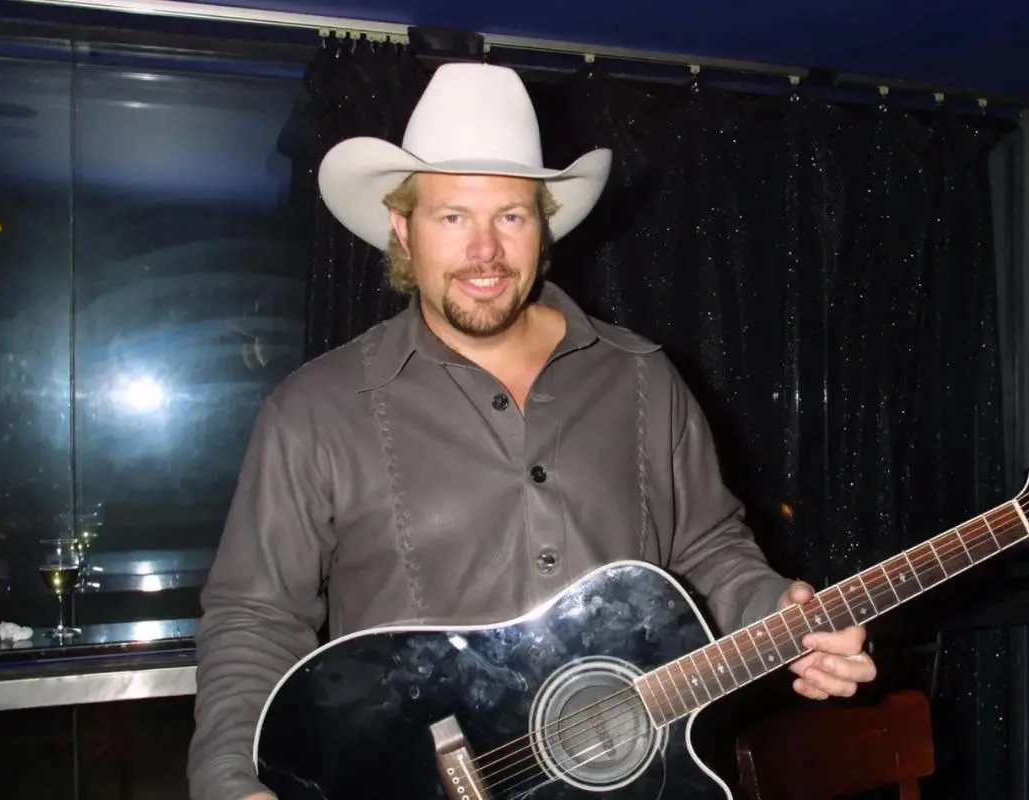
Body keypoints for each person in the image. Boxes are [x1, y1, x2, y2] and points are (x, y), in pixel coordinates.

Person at [187, 62, 877, 800]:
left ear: (542, 227)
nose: (485, 251)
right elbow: (255, 617)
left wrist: (781, 612)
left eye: (511, 216)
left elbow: (708, 547)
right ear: (402, 228)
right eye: (453, 217)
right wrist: (231, 781)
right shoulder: (314, 410)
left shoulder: (644, 379)